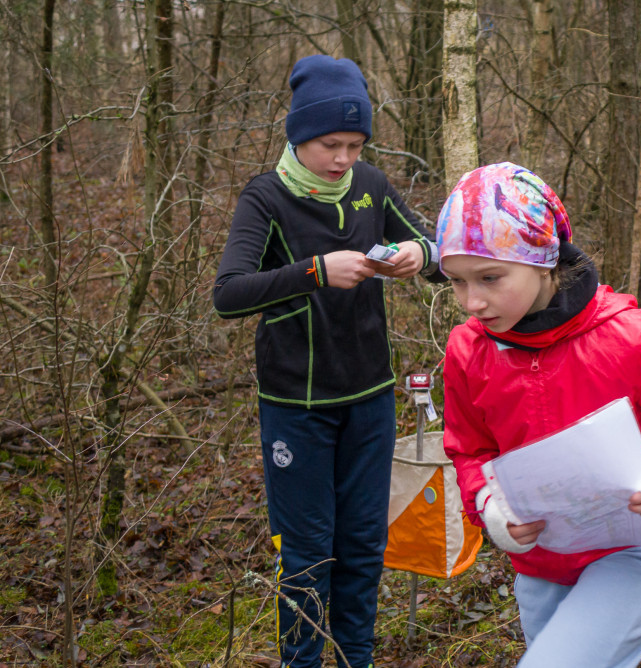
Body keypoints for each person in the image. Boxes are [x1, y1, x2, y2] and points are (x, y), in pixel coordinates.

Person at [435, 162, 641, 668]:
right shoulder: (468, 350)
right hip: (539, 561)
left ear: (542, 262)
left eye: (490, 278)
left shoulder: (631, 336)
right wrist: (489, 506)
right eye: (457, 282)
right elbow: (470, 448)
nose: (472, 301)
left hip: (634, 551)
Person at [213, 54, 443, 668]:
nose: (343, 158)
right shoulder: (265, 197)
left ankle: (355, 660)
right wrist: (315, 272)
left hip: (369, 397)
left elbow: (440, 250)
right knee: (309, 553)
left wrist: (419, 256)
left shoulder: (370, 185)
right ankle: (302, 662)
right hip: (297, 406)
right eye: (329, 144)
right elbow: (228, 293)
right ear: (298, 136)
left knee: (364, 544)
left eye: (355, 143)